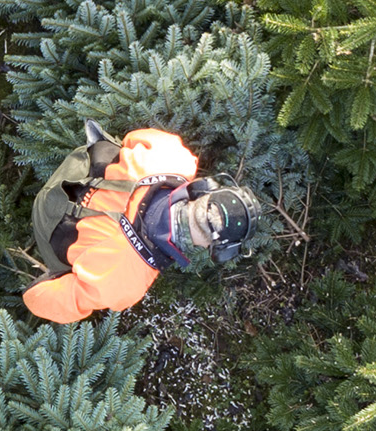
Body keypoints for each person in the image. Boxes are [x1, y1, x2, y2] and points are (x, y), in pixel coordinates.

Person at [22, 121, 259, 324]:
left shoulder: (176, 157)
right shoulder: (128, 281)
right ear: (213, 249)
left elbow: (135, 138)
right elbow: (45, 300)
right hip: (45, 223)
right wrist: (35, 291)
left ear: (207, 189)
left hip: (74, 172)